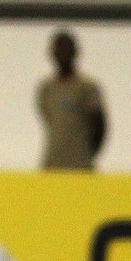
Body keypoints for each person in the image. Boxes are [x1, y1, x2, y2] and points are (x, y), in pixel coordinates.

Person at [36, 29, 107, 170]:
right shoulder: (46, 88)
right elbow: (49, 120)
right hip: (52, 165)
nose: (63, 54)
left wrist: (85, 155)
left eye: (67, 49)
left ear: (75, 52)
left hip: (80, 167)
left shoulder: (87, 87)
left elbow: (100, 126)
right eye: (59, 49)